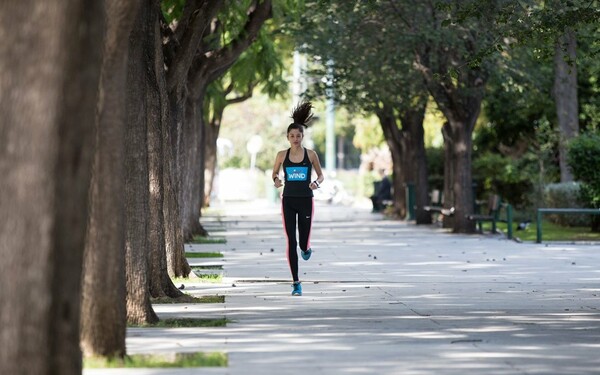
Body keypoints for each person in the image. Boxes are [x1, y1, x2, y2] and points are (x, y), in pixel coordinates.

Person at [272, 102, 324, 296]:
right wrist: (277, 180)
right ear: (287, 137)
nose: (295, 139)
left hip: (305, 201)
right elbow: (274, 174)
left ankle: (306, 247)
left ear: (303, 136)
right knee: (290, 241)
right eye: (292, 136)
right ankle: (296, 283)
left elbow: (320, 175)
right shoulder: (281, 155)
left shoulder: (310, 155)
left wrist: (316, 184)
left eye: (298, 136)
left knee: (302, 241)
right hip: (288, 201)